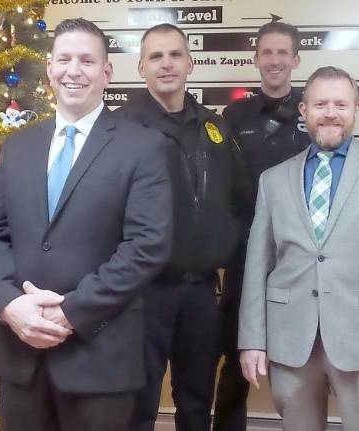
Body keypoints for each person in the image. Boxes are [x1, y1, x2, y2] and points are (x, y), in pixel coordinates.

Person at [0, 18, 173, 431]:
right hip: (22, 358)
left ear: (106, 73)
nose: (73, 70)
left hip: (99, 358)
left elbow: (146, 246)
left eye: (86, 60)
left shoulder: (143, 146)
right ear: (49, 69)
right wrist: (10, 306)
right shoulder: (20, 145)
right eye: (64, 59)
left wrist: (71, 312)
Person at [238, 66, 359, 431]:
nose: (330, 113)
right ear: (304, 111)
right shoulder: (273, 180)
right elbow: (257, 266)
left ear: (357, 108)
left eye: (340, 104)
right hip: (291, 343)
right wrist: (251, 340)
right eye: (320, 104)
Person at [117, 23, 241, 431]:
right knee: (138, 401)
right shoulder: (120, 128)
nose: (166, 64)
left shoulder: (214, 127)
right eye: (156, 56)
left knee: (196, 399)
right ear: (140, 68)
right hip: (142, 291)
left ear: (190, 62)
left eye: (174, 55)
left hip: (201, 291)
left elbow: (238, 200)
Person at [214, 21, 311, 431]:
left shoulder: (315, 108)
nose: (274, 61)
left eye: (282, 53)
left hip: (302, 253)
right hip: (246, 251)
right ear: (256, 59)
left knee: (306, 355)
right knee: (237, 354)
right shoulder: (234, 115)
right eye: (266, 53)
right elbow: (220, 185)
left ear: (296, 59)